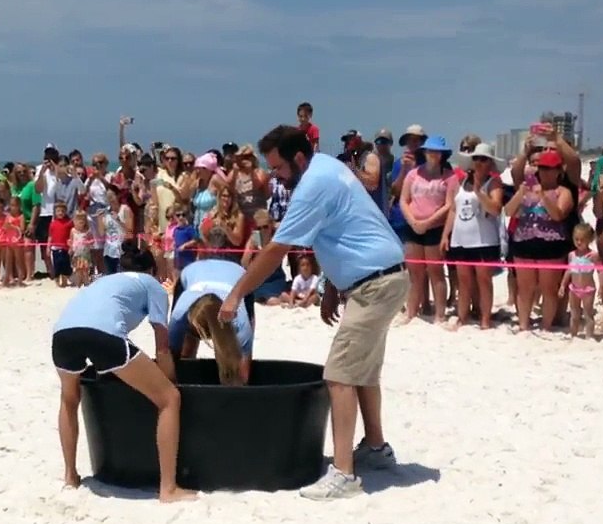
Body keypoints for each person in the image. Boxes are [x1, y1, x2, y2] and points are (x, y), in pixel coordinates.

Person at [221, 125, 408, 500]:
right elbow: (344, 229)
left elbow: (275, 250)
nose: (275, 176)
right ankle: (375, 448)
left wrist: (237, 292)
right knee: (363, 372)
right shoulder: (326, 166)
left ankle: (344, 474)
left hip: (375, 284)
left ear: (299, 159)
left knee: (339, 375)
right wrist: (332, 288)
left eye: (278, 168)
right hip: (382, 278)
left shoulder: (312, 185)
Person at [50, 245, 196, 503]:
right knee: (170, 399)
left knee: (69, 400)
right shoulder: (152, 285)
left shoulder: (104, 281)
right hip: (103, 335)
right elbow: (162, 347)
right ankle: (169, 489)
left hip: (62, 333)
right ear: (152, 269)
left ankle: (70, 476)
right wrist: (171, 382)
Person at [169, 259, 252, 386]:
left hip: (240, 279)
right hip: (193, 271)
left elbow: (243, 371)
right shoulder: (179, 315)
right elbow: (170, 357)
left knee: (234, 357)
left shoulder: (240, 322)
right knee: (185, 349)